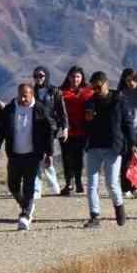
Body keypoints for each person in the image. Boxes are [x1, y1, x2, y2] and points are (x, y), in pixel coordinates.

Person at [0, 83, 57, 231]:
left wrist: (49, 153)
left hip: (33, 154)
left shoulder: (40, 110)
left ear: (32, 95)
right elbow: (2, 129)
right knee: (13, 185)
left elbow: (49, 132)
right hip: (15, 154)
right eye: (21, 95)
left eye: (26, 96)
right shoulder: (10, 109)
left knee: (29, 185)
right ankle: (27, 206)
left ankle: (24, 215)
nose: (23, 98)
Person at [81, 71, 134, 228]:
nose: (96, 90)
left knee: (111, 183)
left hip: (113, 147)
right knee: (91, 183)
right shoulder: (90, 102)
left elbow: (128, 123)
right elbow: (85, 124)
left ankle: (119, 207)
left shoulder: (119, 101)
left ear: (106, 84)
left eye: (98, 86)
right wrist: (87, 120)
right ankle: (94, 216)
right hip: (94, 146)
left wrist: (133, 143)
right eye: (93, 87)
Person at [31, 66, 68, 196]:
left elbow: (62, 112)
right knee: (36, 158)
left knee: (48, 157)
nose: (38, 79)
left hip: (50, 128)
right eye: (36, 76)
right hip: (34, 128)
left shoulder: (54, 91)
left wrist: (65, 128)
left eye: (41, 76)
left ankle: (54, 187)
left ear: (46, 76)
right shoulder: (31, 92)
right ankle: (36, 190)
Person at [58, 67, 93, 196]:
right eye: (73, 76)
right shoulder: (61, 92)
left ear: (82, 78)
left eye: (78, 76)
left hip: (82, 130)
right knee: (66, 157)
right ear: (68, 77)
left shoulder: (88, 92)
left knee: (78, 156)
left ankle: (78, 180)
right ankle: (69, 183)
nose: (75, 79)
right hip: (65, 130)